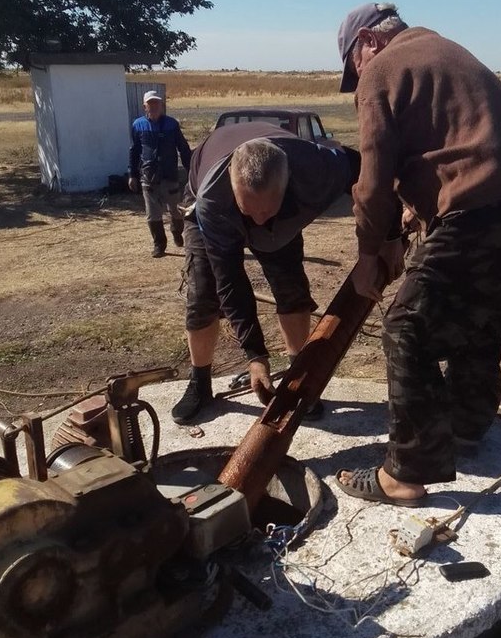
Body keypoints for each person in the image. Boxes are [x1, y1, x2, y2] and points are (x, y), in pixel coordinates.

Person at [334, 3, 501, 506]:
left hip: (480, 207)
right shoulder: (445, 51)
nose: (357, 79)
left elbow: (371, 186)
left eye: (352, 67)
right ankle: (464, 428)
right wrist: (421, 210)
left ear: (367, 41)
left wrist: (371, 252)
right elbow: (461, 140)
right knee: (480, 321)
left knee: (406, 327)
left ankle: (407, 472)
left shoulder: (382, 71)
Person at [171, 121, 359, 423]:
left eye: (266, 211)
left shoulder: (319, 168)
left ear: (286, 186)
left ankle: (299, 378)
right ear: (234, 189)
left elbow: (367, 170)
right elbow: (230, 281)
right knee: (204, 294)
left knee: (291, 288)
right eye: (250, 211)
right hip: (208, 203)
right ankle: (200, 382)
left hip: (284, 207)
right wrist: (255, 356)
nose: (258, 221)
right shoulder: (213, 201)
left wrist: (385, 237)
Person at [129, 91, 191, 257]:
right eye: (151, 103)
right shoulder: (138, 125)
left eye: (157, 103)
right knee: (153, 214)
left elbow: (183, 148)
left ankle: (177, 232)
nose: (154, 106)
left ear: (162, 105)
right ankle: (159, 246)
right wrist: (132, 174)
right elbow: (134, 151)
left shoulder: (171, 124)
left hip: (170, 175)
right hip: (148, 177)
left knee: (176, 211)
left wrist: (192, 171)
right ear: (145, 106)